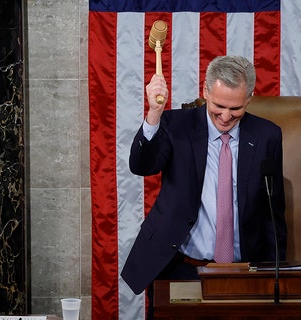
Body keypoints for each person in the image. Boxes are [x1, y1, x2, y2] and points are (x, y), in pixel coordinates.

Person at [120, 55, 287, 317]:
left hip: (242, 271)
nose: (225, 116)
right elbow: (142, 165)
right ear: (206, 91)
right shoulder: (176, 125)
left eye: (236, 109)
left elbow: (273, 213)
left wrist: (274, 276)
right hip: (180, 266)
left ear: (250, 98)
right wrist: (153, 113)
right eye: (219, 106)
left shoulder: (267, 136)